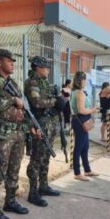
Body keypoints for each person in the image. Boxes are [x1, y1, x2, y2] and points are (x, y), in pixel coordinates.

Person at [0, 49, 40, 219]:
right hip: (2, 134)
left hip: (18, 133)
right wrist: (12, 101)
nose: (13, 63)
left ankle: (10, 201)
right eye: (9, 61)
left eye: (13, 61)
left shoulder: (13, 83)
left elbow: (24, 108)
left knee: (14, 168)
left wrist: (31, 126)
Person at [24, 55, 66, 207]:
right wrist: (56, 101)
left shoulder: (44, 82)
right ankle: (33, 192)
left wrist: (59, 100)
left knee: (45, 157)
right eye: (46, 67)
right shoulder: (32, 82)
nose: (48, 69)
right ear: (37, 67)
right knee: (36, 159)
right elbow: (36, 102)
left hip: (49, 124)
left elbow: (50, 98)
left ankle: (43, 185)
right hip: (39, 125)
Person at [70, 71, 100, 180]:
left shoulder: (78, 92)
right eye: (85, 79)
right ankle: (77, 173)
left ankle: (87, 170)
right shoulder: (79, 93)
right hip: (80, 122)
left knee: (85, 146)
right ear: (81, 80)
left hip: (79, 121)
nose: (86, 81)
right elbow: (81, 110)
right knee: (79, 147)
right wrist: (92, 110)